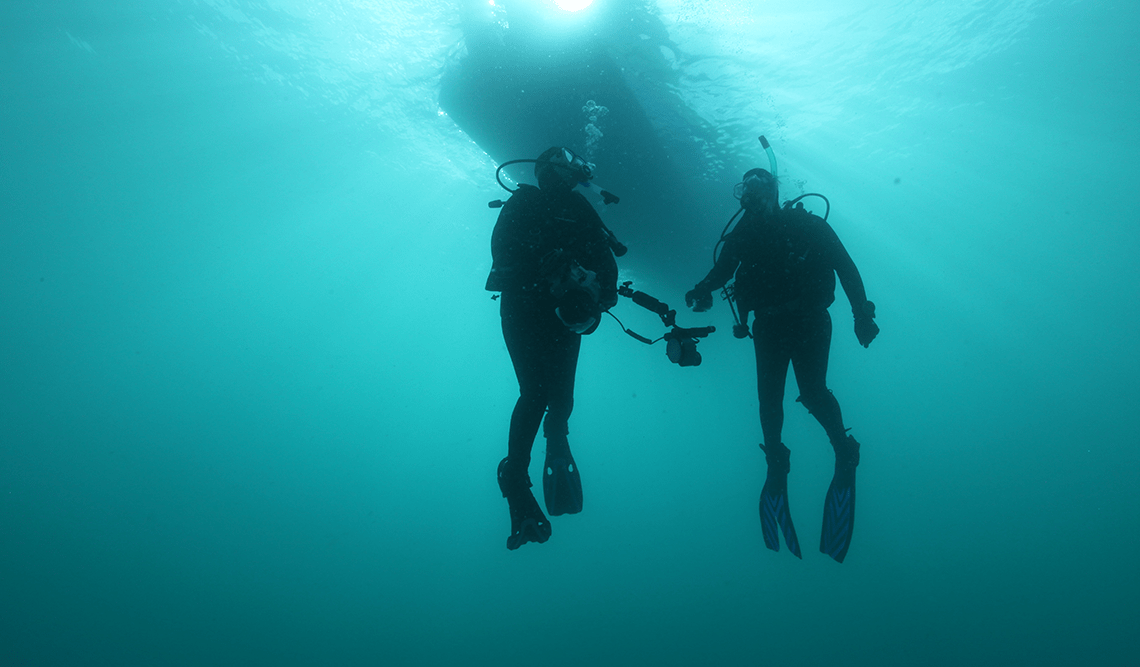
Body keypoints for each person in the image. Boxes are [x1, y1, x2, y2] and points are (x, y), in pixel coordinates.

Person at [684, 167, 879, 562]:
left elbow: (846, 266)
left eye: (758, 188)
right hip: (769, 324)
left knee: (812, 391)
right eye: (745, 189)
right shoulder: (743, 235)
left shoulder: (805, 225)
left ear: (773, 190)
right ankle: (776, 458)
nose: (750, 195)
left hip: (808, 319)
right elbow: (724, 271)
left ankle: (843, 447)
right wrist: (701, 289)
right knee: (768, 399)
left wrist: (862, 314)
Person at [486, 146, 619, 550]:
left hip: (566, 312)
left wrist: (596, 303)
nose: (571, 173)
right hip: (526, 310)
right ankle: (515, 474)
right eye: (565, 165)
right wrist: (543, 269)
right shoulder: (522, 201)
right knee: (537, 392)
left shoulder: (579, 207)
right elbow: (501, 254)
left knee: (559, 395)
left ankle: (556, 435)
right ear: (548, 169)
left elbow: (606, 260)